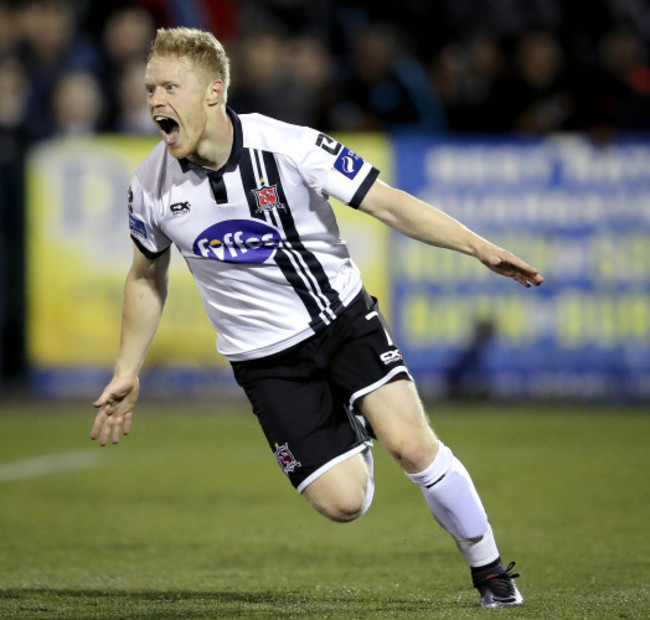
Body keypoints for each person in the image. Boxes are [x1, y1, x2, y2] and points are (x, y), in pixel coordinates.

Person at [91, 27, 543, 608]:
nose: (155, 100)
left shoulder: (290, 146)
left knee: (410, 444)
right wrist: (127, 369)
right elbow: (146, 276)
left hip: (341, 322)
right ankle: (352, 429)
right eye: (150, 86)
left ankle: (491, 575)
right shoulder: (149, 186)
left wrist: (478, 247)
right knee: (343, 504)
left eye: (170, 87)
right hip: (265, 363)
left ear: (213, 92)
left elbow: (387, 202)